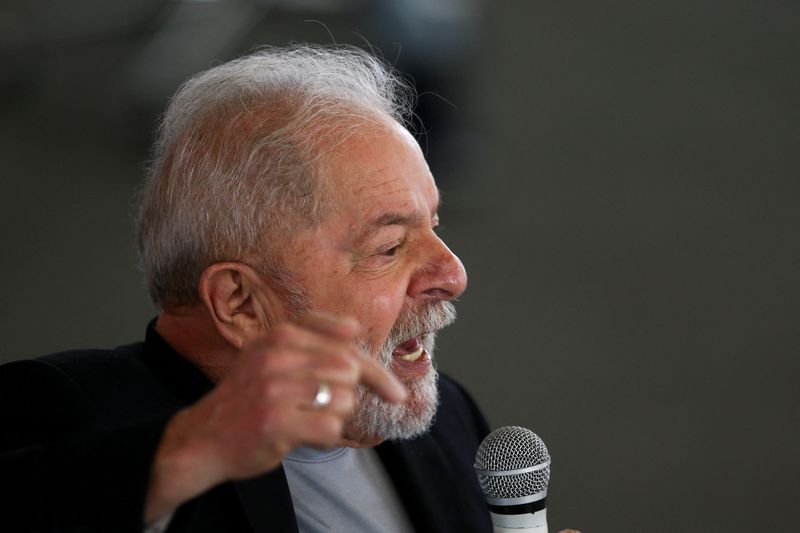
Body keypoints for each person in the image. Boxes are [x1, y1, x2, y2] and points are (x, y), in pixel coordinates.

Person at [0, 45, 492, 532]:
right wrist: (193, 450)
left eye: (434, 226)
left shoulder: (452, 422)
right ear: (239, 302)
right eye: (389, 247)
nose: (453, 275)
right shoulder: (64, 411)